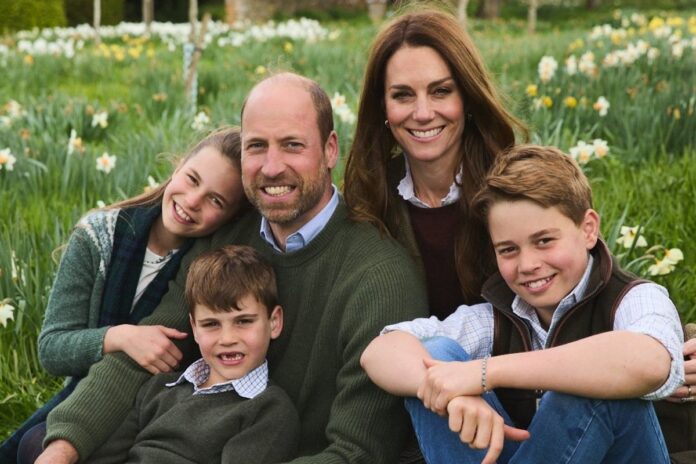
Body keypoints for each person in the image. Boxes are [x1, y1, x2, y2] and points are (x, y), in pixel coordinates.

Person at [35, 72, 429, 463]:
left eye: (292, 145)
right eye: (256, 146)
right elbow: (146, 354)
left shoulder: (379, 277)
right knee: (41, 445)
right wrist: (61, 449)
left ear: (329, 150)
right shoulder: (226, 239)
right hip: (188, 445)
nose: (271, 167)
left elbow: (356, 453)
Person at [361, 145, 685, 463]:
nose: (527, 264)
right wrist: (447, 391)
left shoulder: (635, 298)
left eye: (544, 241)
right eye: (508, 250)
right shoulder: (497, 317)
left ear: (588, 229)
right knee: (435, 357)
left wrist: (484, 373)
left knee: (591, 379)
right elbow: (380, 351)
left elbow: (650, 361)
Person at [0, 127, 247, 464]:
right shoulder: (98, 238)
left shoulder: (209, 264)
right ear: (178, 166)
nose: (192, 201)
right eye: (192, 179)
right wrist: (119, 337)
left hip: (159, 405)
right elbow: (52, 349)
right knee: (35, 444)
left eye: (215, 200)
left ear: (231, 217)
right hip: (89, 397)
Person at [344, 6, 528, 320]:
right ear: (382, 106)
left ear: (467, 97)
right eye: (403, 95)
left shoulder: (519, 188)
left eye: (441, 91)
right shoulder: (367, 200)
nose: (423, 113)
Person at [77, 245, 299, 464]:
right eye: (211, 324)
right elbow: (105, 456)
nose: (227, 339)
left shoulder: (268, 409)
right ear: (194, 328)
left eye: (243, 321)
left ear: (274, 322)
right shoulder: (158, 388)